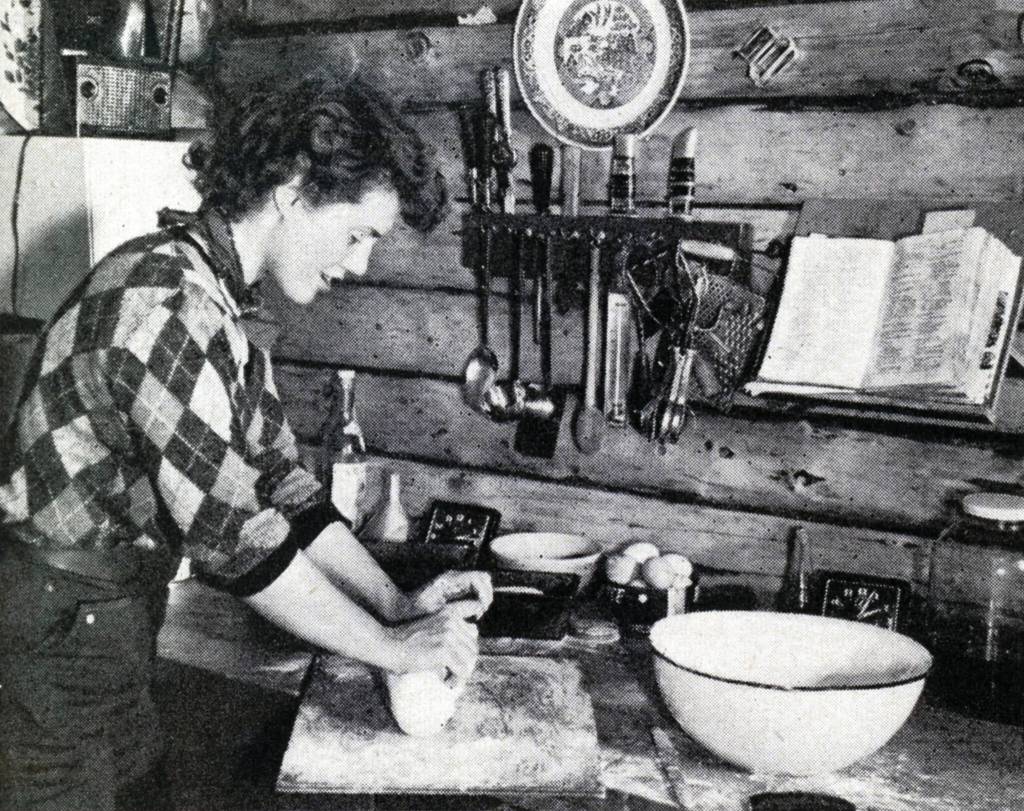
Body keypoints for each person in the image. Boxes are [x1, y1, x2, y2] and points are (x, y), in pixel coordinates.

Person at [0, 75, 492, 810]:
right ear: (294, 191)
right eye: (358, 234)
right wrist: (392, 648)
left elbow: (286, 491)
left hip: (108, 636)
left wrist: (396, 605)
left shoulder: (221, 309)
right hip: (44, 646)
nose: (357, 266)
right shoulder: (166, 307)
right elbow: (242, 542)